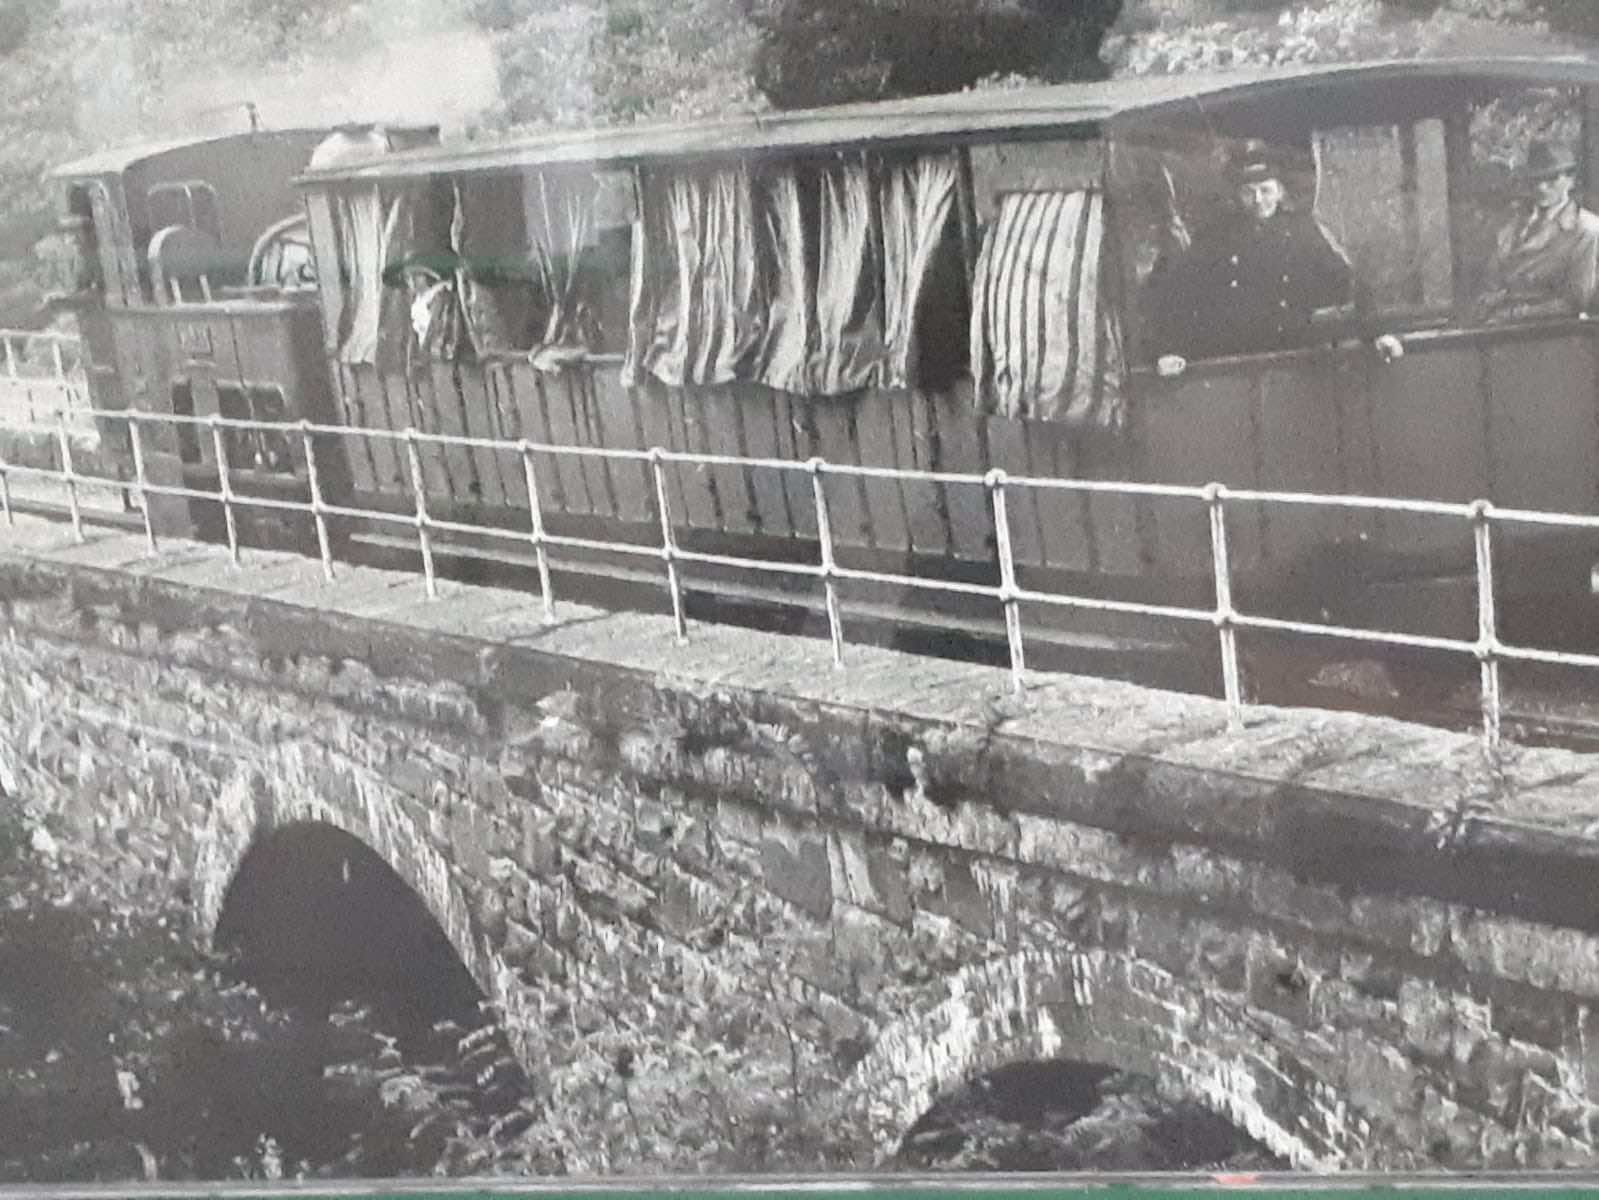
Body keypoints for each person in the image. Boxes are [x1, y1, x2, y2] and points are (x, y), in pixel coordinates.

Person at [1144, 140, 1357, 374]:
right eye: (1249, 192)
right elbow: (1178, 293)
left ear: (1279, 192)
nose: (1257, 200)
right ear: (1237, 194)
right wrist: (1168, 351)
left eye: (1265, 190)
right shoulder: (1216, 237)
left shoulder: (1302, 232)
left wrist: (1377, 333)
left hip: (1294, 361)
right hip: (1233, 366)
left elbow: (1346, 282)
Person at [1475, 139, 1599, 323]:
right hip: (1500, 331)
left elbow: (1574, 302)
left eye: (1552, 178)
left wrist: (1513, 314)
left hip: (1553, 336)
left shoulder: (1585, 229)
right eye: (1536, 180)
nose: (1541, 187)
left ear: (1570, 180)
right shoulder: (1512, 224)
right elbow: (1490, 280)